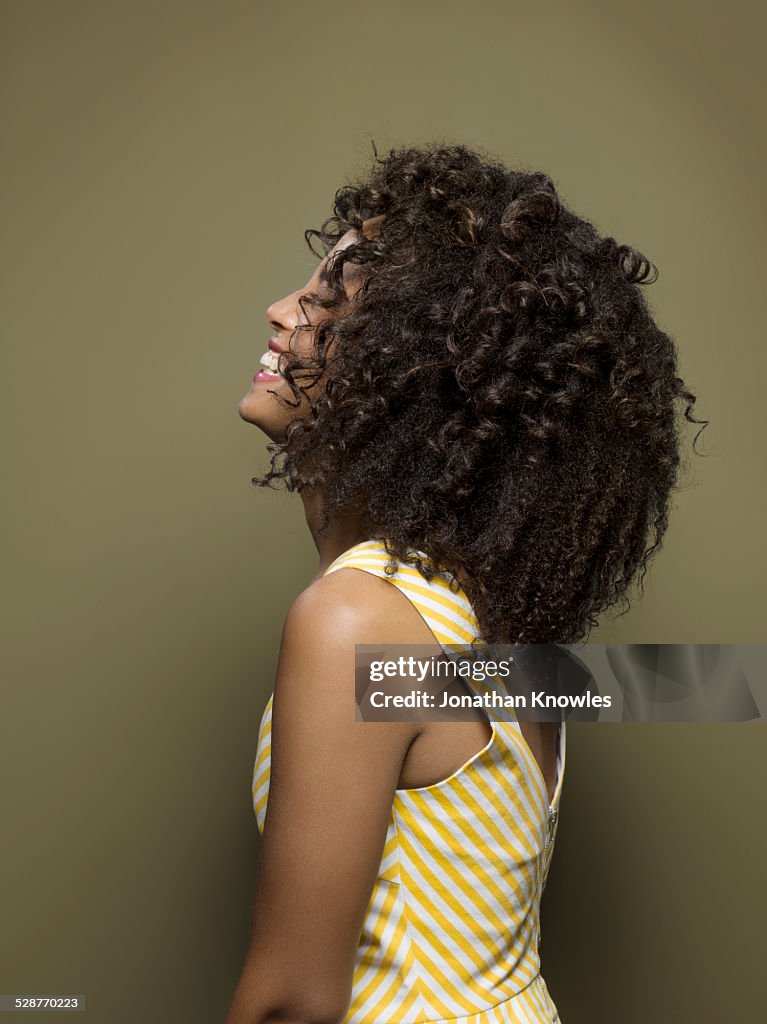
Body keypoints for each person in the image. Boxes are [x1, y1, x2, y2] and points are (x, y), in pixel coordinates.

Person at [227, 143, 704, 1024]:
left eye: (327, 300)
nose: (280, 311)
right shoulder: (488, 621)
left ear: (408, 368)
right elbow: (696, 684)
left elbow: (289, 1004)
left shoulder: (355, 621)